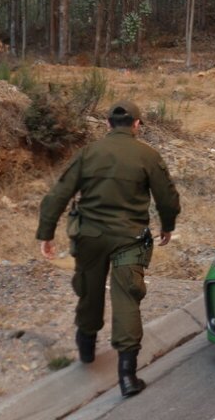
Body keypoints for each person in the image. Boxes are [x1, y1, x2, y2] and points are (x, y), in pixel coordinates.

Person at [36, 101, 181, 399]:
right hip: (129, 238)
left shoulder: (88, 153)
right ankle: (127, 375)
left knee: (89, 291)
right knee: (127, 295)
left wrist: (46, 233)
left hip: (89, 237)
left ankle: (86, 347)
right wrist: (167, 225)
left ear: (107, 123)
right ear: (137, 125)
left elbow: (58, 194)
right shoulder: (148, 155)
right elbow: (167, 198)